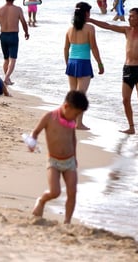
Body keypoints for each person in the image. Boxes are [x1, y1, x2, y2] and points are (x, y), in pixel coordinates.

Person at [89, 7, 138, 135]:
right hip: (127, 69)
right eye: (129, 16)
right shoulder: (127, 30)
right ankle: (131, 127)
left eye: (133, 16)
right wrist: (91, 20)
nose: (130, 18)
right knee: (125, 100)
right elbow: (108, 26)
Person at [27, 90, 89, 224]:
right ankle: (42, 200)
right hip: (53, 161)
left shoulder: (70, 121)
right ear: (66, 106)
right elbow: (35, 132)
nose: (76, 117)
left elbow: (73, 138)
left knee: (72, 192)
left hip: (70, 161)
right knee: (55, 192)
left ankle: (67, 221)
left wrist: (75, 156)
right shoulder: (49, 117)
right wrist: (32, 143)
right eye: (76, 114)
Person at [64, 2, 104, 129]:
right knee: (80, 95)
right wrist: (100, 63)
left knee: (72, 93)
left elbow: (66, 48)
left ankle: (69, 120)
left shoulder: (70, 29)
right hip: (83, 62)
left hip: (71, 61)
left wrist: (67, 64)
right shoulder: (90, 28)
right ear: (86, 13)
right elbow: (94, 47)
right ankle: (78, 123)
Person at [0, 0, 30, 85]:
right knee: (13, 59)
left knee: (6, 59)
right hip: (13, 35)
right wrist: (26, 32)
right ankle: (7, 77)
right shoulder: (18, 9)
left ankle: (7, 79)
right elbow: (23, 22)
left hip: (3, 36)